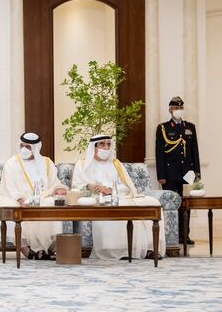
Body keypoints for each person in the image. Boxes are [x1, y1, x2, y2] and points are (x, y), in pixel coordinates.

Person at [71, 135, 165, 260]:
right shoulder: (82, 164)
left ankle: (149, 248)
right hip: (96, 199)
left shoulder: (116, 164)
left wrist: (110, 190)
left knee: (152, 202)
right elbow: (76, 188)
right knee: (117, 205)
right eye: (102, 144)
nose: (106, 147)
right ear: (93, 147)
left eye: (108, 144)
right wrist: (90, 187)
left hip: (118, 195)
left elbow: (127, 186)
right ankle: (120, 250)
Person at [0, 133, 67, 259]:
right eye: (22, 146)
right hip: (15, 198)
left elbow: (55, 183)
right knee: (11, 208)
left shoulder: (46, 163)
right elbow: (9, 186)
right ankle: (26, 251)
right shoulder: (12, 163)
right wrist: (20, 199)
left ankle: (46, 250)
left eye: (28, 147)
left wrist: (58, 189)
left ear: (36, 148)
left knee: (49, 203)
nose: (24, 149)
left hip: (40, 198)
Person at [155, 96, 201, 244]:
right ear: (170, 110)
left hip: (187, 173)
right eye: (175, 108)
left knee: (186, 206)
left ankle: (184, 235)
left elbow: (195, 151)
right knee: (170, 205)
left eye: (180, 108)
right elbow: (159, 153)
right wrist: (161, 175)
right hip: (169, 174)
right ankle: (170, 236)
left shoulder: (190, 127)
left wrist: (197, 174)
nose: (178, 111)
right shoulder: (163, 128)